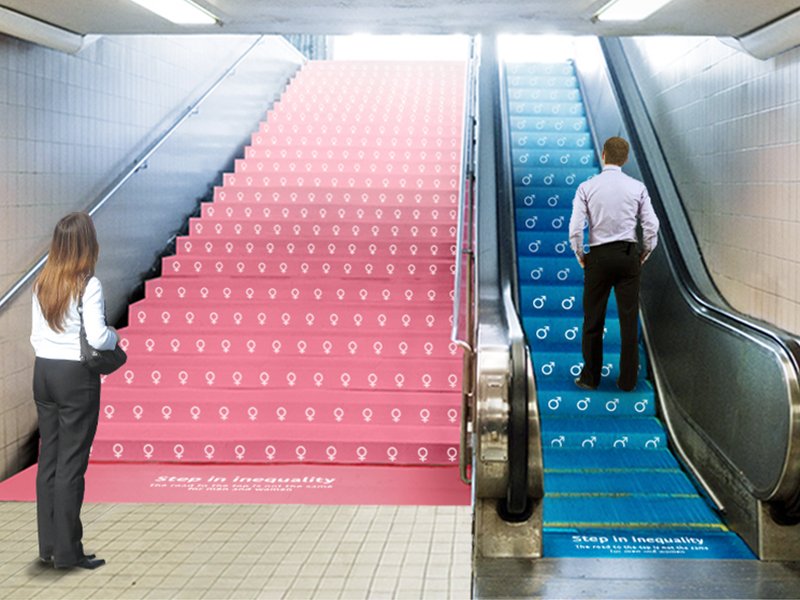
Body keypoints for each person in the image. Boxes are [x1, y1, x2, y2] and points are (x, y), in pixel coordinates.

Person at [30, 212, 117, 570]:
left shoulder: (42, 280)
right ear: (87, 243)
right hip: (74, 378)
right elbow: (97, 337)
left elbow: (35, 334)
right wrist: (115, 337)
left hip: (43, 373)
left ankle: (49, 547)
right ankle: (68, 552)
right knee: (71, 464)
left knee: (49, 460)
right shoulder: (87, 284)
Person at [568, 137, 659, 392]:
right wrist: (645, 252)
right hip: (628, 255)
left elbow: (575, 227)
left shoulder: (587, 187)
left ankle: (590, 377)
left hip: (598, 256)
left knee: (593, 319)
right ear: (625, 159)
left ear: (604, 155)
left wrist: (580, 254)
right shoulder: (637, 187)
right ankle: (628, 380)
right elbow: (651, 225)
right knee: (628, 320)